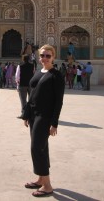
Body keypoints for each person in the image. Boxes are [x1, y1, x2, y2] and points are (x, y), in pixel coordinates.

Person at [22, 44, 64, 197]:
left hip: (44, 116)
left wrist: (54, 123)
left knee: (36, 148)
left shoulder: (56, 75)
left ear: (53, 57)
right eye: (42, 56)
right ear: (38, 57)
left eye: (48, 56)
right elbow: (32, 94)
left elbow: (59, 101)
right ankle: (40, 179)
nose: (45, 58)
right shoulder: (39, 72)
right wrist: (26, 114)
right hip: (34, 115)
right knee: (42, 148)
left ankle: (47, 185)